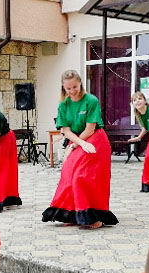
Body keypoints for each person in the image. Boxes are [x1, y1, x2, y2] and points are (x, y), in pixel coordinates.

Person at [42, 70, 118, 228]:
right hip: (79, 140)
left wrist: (77, 145)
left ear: (80, 83)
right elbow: (66, 130)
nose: (72, 91)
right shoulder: (63, 105)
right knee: (68, 175)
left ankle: (93, 216)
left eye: (75, 87)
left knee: (82, 177)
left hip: (95, 140)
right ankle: (73, 213)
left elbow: (91, 128)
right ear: (63, 87)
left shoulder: (91, 100)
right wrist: (78, 144)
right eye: (68, 88)